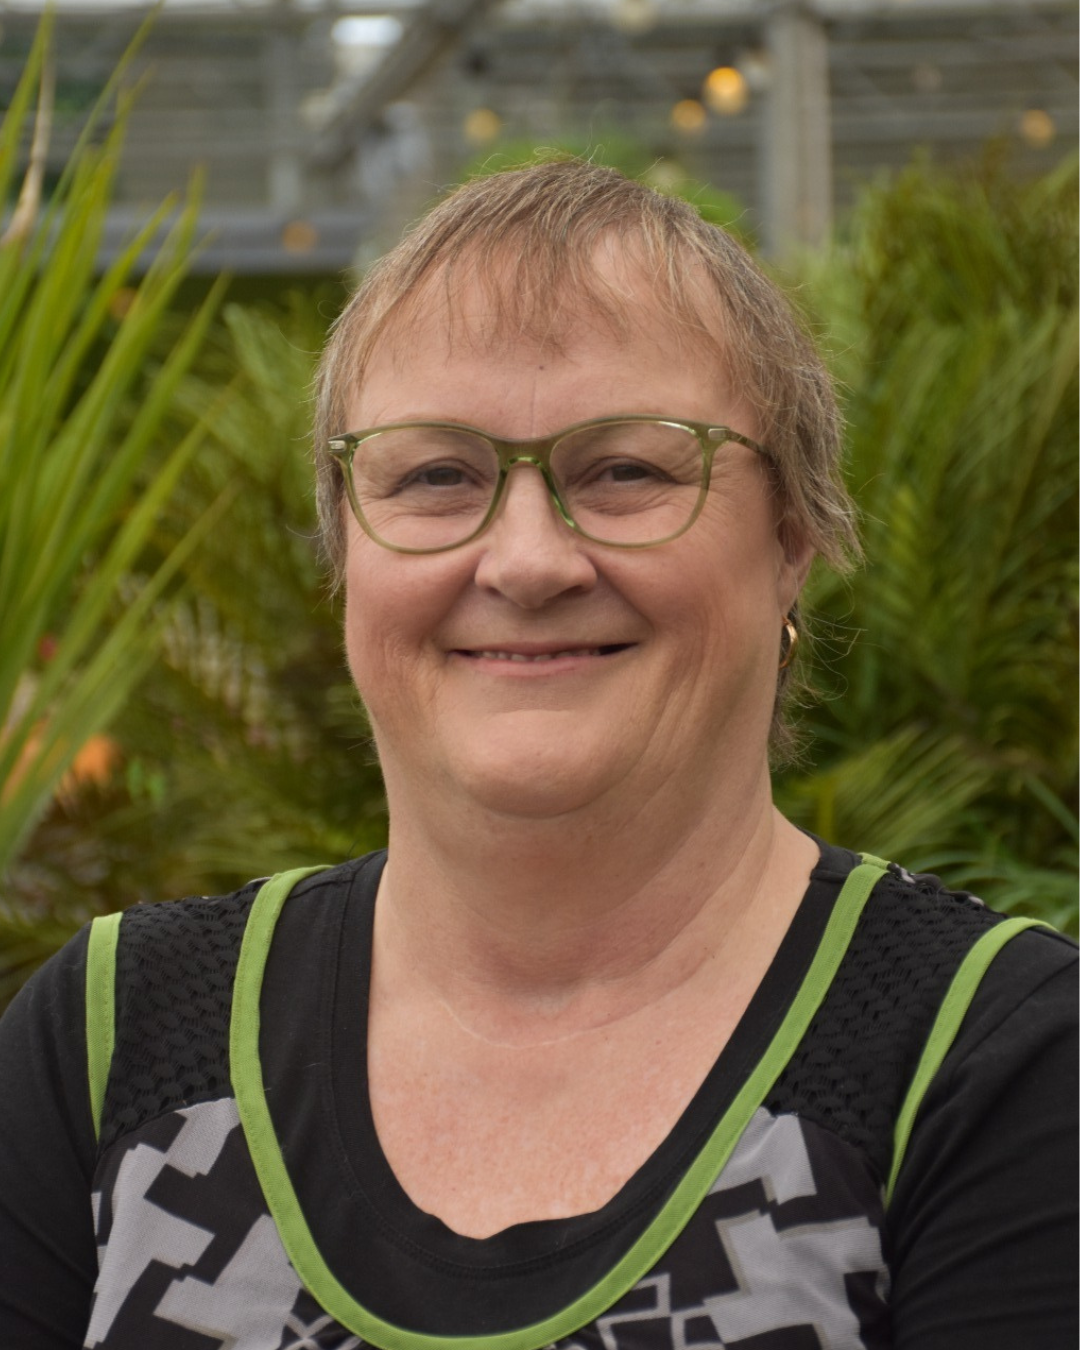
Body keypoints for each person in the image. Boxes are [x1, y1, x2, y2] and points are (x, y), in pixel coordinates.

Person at [0, 159, 1075, 1350]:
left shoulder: (991, 1064)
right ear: (344, 555)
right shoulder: (114, 1042)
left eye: (625, 470)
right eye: (434, 476)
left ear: (794, 540)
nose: (525, 561)